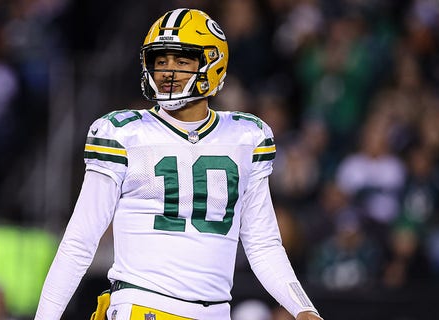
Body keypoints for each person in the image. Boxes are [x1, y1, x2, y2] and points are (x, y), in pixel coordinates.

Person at [34, 8, 323, 320]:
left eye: (182, 60)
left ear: (213, 63)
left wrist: (302, 307)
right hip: (144, 307)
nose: (168, 71)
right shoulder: (123, 132)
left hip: (216, 312)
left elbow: (263, 244)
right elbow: (80, 241)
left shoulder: (245, 135)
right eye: (160, 61)